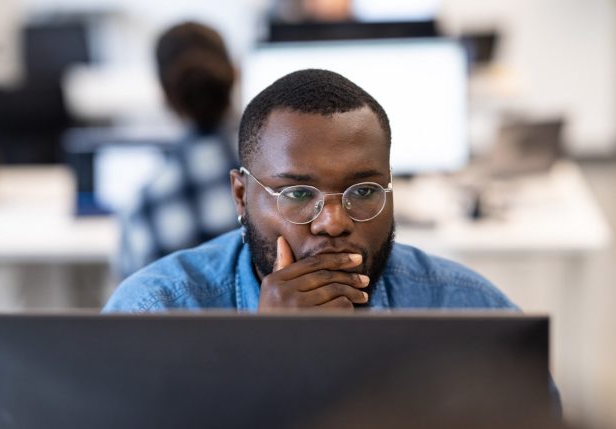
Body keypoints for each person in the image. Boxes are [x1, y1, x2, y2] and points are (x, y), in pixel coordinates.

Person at [104, 68, 517, 312]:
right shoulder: (156, 312)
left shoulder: (471, 311)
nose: (334, 223)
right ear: (241, 196)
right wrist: (272, 356)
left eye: (364, 191)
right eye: (298, 194)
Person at [118, 21, 239, 278]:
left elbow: (131, 305)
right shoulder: (285, 178)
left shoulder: (144, 209)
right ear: (236, 73)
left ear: (163, 94)